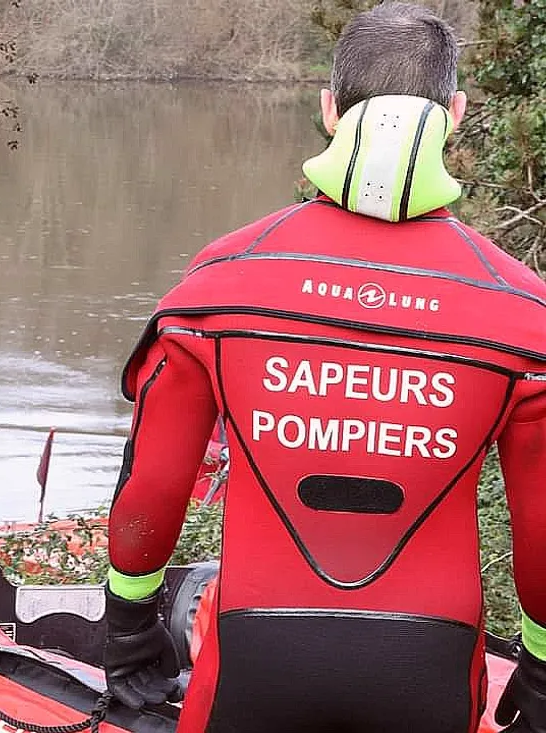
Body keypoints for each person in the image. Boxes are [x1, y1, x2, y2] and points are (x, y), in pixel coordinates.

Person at [102, 4, 546, 732]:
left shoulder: (223, 280)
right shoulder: (523, 311)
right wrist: (543, 665)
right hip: (429, 670)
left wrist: (127, 628)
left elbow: (155, 480)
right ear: (455, 115)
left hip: (252, 654)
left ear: (330, 111)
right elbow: (542, 526)